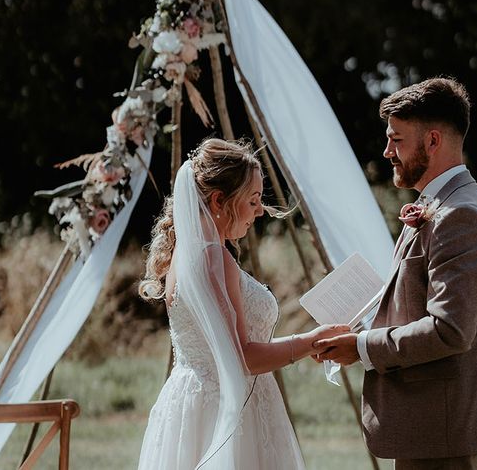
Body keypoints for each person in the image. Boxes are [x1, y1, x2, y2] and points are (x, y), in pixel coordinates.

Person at [314, 77, 477, 469]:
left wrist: (360, 348)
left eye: (396, 139)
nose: (387, 151)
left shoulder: (459, 216)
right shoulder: (447, 204)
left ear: (432, 141)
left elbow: (450, 330)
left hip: (442, 427)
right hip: (435, 425)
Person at [137, 137, 347, 470]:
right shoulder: (213, 258)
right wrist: (311, 341)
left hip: (190, 403)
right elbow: (242, 357)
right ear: (219, 200)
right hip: (227, 409)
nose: (260, 210)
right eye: (252, 200)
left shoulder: (187, 255)